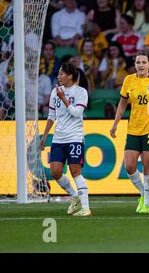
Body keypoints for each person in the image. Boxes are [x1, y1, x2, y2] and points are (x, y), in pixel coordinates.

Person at [110, 53, 149, 213]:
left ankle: (146, 203)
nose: (140, 65)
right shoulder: (129, 80)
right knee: (130, 166)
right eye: (138, 62)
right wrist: (115, 123)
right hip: (133, 129)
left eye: (144, 62)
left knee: (147, 166)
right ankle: (143, 193)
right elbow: (122, 104)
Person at [39, 63, 91, 217]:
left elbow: (76, 113)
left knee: (75, 171)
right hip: (58, 138)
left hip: (74, 137)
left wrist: (64, 99)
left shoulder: (81, 92)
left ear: (69, 76)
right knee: (55, 172)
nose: (58, 76)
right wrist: (46, 135)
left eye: (61, 74)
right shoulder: (56, 93)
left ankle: (86, 208)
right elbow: (51, 116)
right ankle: (75, 196)